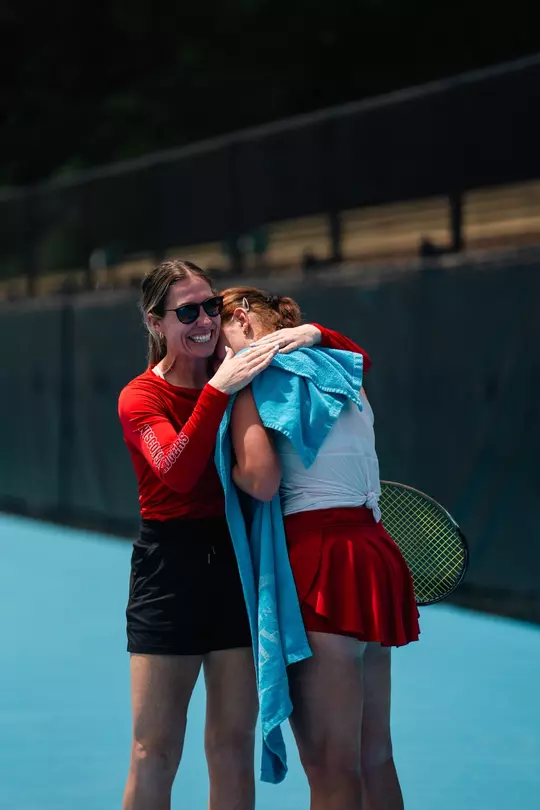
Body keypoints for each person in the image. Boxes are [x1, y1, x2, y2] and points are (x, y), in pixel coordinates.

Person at [117, 260, 366, 810]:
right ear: (156, 323)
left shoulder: (237, 373)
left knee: (231, 746)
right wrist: (220, 390)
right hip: (169, 574)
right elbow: (178, 472)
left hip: (235, 564)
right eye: (188, 312)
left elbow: (354, 364)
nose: (205, 320)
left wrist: (315, 333)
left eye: (211, 307)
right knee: (152, 751)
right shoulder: (141, 397)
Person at [218, 286, 421, 810]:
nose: (219, 360)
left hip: (321, 564)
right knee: (376, 758)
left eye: (220, 344)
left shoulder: (256, 379)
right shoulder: (339, 365)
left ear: (241, 321)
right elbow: (359, 353)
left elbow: (261, 480)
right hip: (375, 554)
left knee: (332, 770)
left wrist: (224, 460)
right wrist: (315, 332)